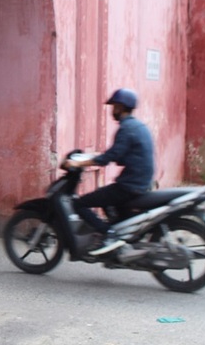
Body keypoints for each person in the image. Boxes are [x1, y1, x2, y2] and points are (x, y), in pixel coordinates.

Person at [64, 88, 155, 257]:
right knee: (106, 198)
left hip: (129, 185)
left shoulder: (126, 129)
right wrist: (99, 156)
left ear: (120, 107)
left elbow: (110, 157)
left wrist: (78, 162)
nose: (112, 110)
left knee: (79, 204)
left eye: (114, 107)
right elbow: (122, 155)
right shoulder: (139, 126)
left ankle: (109, 234)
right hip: (141, 183)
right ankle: (121, 235)